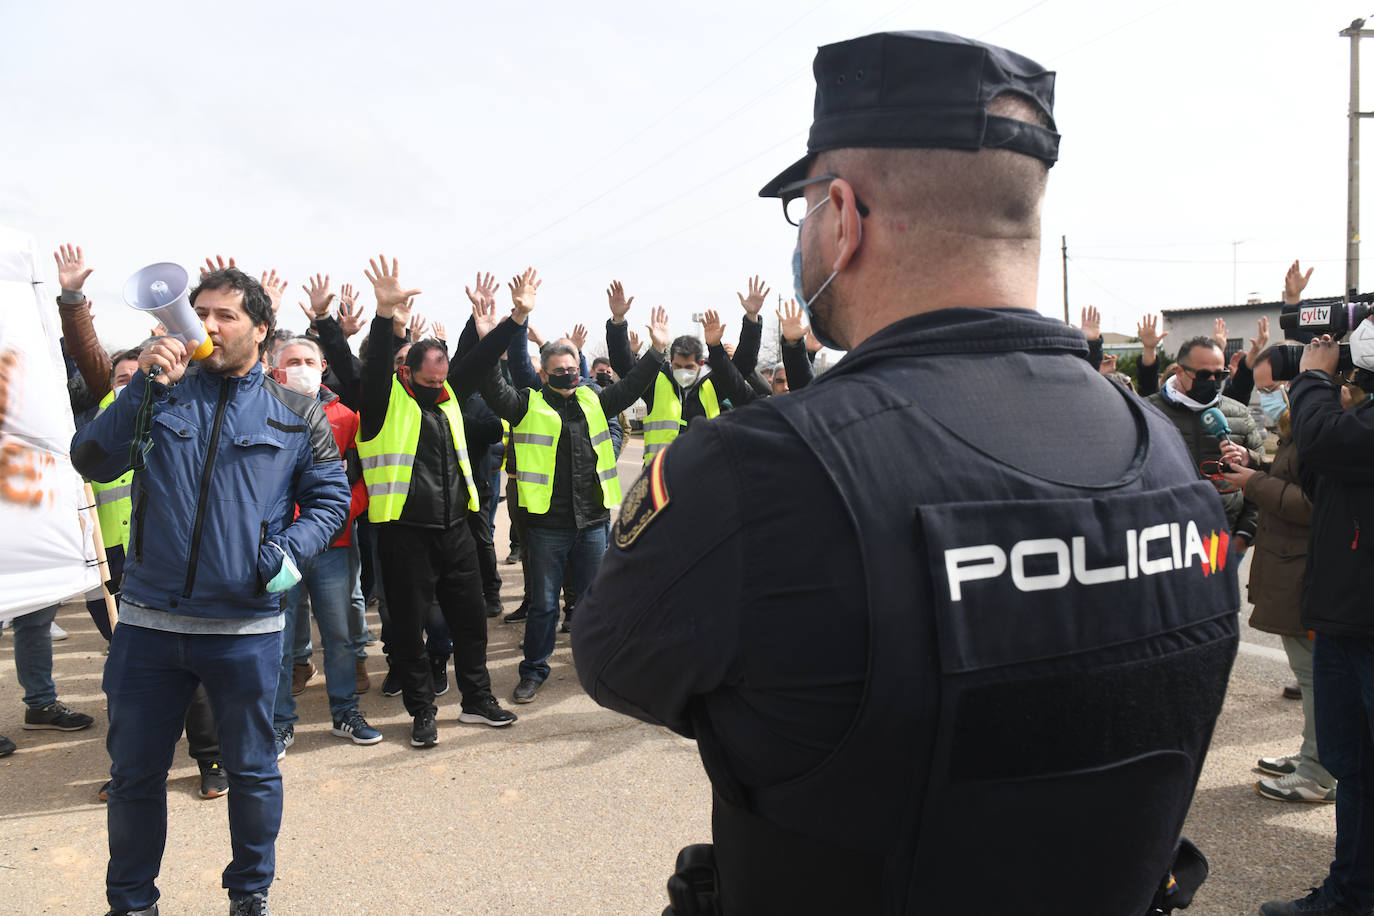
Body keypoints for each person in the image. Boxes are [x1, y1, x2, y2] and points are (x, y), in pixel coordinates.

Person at [573, 30, 1239, 915]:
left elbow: (619, 667)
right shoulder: (1158, 444)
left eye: (804, 206)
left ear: (843, 217)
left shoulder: (760, 470)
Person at [71, 265, 350, 916]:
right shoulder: (159, 393)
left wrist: (285, 552)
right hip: (146, 627)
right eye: (198, 312)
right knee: (135, 778)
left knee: (253, 775)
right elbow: (92, 460)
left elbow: (330, 500)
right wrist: (142, 383)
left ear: (260, 327)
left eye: (224, 314)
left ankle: (249, 897)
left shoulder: (295, 412)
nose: (206, 325)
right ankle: (132, 903)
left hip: (245, 632)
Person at [477, 282, 671, 704]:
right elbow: (492, 381)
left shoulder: (594, 398)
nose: (568, 375)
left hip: (594, 521)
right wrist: (500, 331)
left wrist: (656, 350)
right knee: (544, 605)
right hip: (548, 526)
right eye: (560, 370)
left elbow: (635, 384)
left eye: (573, 369)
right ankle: (534, 670)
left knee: (589, 603)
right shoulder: (525, 403)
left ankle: (594, 667)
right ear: (544, 372)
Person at [356, 255, 518, 748]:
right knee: (407, 631)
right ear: (405, 371)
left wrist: (514, 320)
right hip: (403, 535)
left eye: (441, 378)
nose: (437, 386)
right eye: (427, 379)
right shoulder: (382, 402)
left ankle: (476, 701)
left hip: (457, 530)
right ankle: (422, 710)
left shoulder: (449, 399)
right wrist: (386, 318)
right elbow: (377, 362)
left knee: (470, 623)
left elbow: (480, 361)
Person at [1261, 326, 1374, 916]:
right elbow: (1320, 472)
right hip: (1343, 619)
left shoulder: (1345, 425)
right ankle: (1350, 896)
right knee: (1353, 769)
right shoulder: (1352, 420)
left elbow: (1327, 448)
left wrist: (1312, 380)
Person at [1217, 345, 1332, 804]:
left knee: (1316, 677)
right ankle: (1313, 755)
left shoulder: (1322, 428)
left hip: (1305, 568)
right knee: (1309, 674)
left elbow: (1313, 504)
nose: (1270, 396)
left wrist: (1253, 483)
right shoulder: (1302, 424)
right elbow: (1291, 478)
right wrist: (1254, 464)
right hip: (1288, 563)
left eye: (1273, 386)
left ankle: (1319, 772)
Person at [268, 337, 382, 755]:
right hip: (277, 550)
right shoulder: (260, 409)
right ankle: (280, 724)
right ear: (275, 369)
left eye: (308, 361)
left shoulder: (345, 417)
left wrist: (337, 518)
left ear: (323, 366)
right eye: (292, 361)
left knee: (340, 635)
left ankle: (345, 712)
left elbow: (361, 479)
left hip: (333, 545)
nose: (301, 367)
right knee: (277, 640)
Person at [1146, 334, 1264, 552]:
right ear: (1180, 372)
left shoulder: (1238, 413)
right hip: (1164, 542)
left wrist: (1245, 534)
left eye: (1219, 374)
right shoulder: (1147, 412)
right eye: (1203, 374)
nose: (1212, 381)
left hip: (1224, 541)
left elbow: (1260, 479)